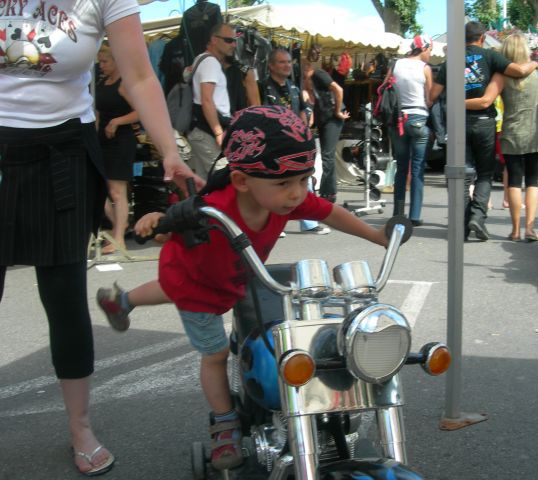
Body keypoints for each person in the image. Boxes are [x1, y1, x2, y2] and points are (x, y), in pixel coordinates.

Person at [95, 106, 388, 471]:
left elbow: (328, 212)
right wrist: (157, 222)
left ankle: (122, 301)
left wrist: (377, 235)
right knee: (214, 352)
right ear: (241, 181)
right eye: (285, 183)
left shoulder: (282, 198)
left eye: (303, 179)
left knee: (173, 290)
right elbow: (164, 231)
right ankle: (224, 423)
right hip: (196, 283)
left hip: (232, 278)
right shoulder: (213, 208)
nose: (297, 194)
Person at [0, 2, 201, 477]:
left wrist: (170, 151)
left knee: (65, 298)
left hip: (62, 153)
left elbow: (140, 76)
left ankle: (80, 427)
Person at [431, 21, 538, 241]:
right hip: (484, 123)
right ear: (482, 37)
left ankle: (462, 225)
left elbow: (432, 95)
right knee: (484, 173)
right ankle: (477, 216)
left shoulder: (450, 61)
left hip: (457, 123)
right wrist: (535, 65)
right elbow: (519, 71)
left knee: (461, 176)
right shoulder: (491, 58)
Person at [465, 33, 538, 242]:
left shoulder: (502, 75)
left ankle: (515, 231)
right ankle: (530, 228)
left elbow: (488, 99)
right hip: (536, 132)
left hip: (511, 132)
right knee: (532, 181)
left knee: (513, 181)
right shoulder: (537, 75)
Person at [260, 47, 330, 235]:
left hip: (294, 143)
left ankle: (310, 223)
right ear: (271, 66)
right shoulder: (262, 86)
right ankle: (274, 224)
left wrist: (305, 136)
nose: (287, 66)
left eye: (289, 62)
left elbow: (301, 113)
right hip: (272, 142)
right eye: (282, 62)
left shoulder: (293, 87)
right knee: (274, 183)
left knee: (302, 181)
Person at [95, 43, 139, 255]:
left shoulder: (124, 85)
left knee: (117, 191)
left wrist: (117, 121)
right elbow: (96, 112)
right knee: (99, 189)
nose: (101, 66)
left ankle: (119, 236)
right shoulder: (102, 82)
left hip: (121, 141)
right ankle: (119, 227)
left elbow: (140, 112)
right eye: (100, 62)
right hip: (102, 141)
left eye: (105, 61)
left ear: (116, 61)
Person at [387, 35, 433, 226]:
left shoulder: (395, 65)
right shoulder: (425, 69)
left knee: (401, 167)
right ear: (424, 49)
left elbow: (386, 88)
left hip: (397, 119)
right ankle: (414, 215)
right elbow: (429, 99)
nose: (430, 55)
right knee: (417, 168)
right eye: (429, 51)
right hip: (418, 119)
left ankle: (398, 212)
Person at [188, 23, 235, 179]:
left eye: (234, 40)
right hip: (208, 131)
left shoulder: (201, 59)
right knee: (224, 179)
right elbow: (207, 100)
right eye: (229, 40)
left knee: (204, 185)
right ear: (214, 39)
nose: (233, 44)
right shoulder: (210, 62)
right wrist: (218, 133)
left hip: (201, 131)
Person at [302, 59, 350, 204]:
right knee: (326, 156)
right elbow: (314, 103)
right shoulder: (309, 82)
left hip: (331, 119)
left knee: (327, 156)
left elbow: (338, 89)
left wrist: (337, 111)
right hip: (325, 119)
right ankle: (329, 191)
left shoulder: (318, 74)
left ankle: (328, 192)